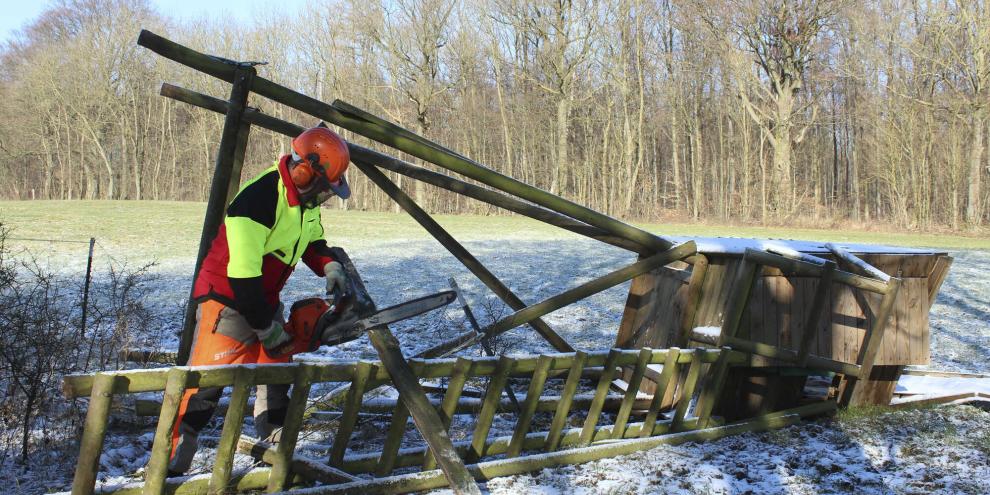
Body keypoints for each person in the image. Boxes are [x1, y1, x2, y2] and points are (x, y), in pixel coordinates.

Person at [168, 126, 352, 476]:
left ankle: (274, 451)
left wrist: (328, 264)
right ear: (305, 172)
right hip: (226, 298)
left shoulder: (305, 201)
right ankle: (172, 464)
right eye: (325, 188)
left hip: (263, 295)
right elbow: (242, 276)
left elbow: (312, 241)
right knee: (208, 383)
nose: (325, 197)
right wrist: (266, 326)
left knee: (276, 372)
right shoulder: (257, 200)